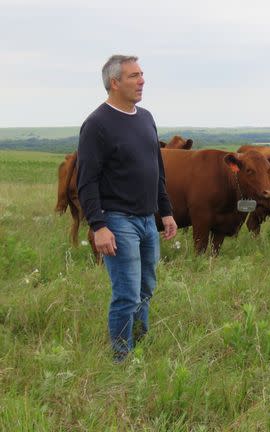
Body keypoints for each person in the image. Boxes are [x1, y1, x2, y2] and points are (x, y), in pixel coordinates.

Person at [77, 55, 178, 362]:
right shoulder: (97, 125)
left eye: (142, 74)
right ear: (114, 82)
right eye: (134, 76)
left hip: (148, 220)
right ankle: (122, 358)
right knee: (127, 294)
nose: (142, 80)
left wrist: (166, 210)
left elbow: (156, 169)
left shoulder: (145, 117)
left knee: (146, 287)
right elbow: (87, 180)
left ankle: (140, 343)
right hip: (117, 220)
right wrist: (99, 226)